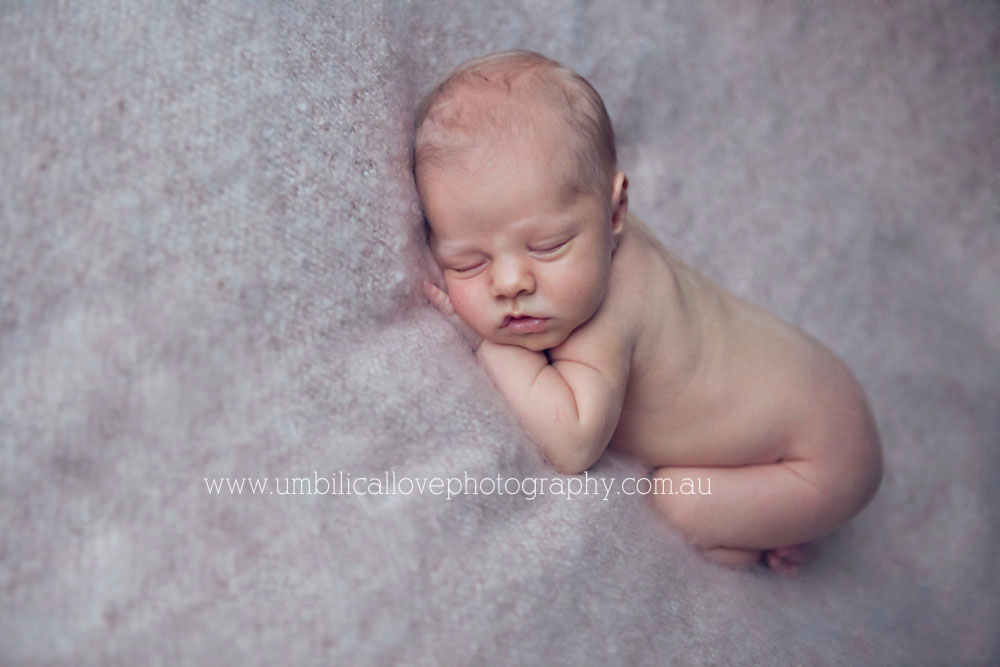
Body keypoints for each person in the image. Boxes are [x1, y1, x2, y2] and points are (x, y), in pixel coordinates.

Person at [414, 50, 882, 573]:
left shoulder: (609, 315)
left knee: (677, 500)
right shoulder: (592, 241)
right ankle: (773, 515)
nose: (510, 283)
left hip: (818, 461)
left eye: (547, 246)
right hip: (820, 391)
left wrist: (492, 347)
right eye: (469, 262)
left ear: (614, 211)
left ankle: (775, 524)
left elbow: (573, 443)